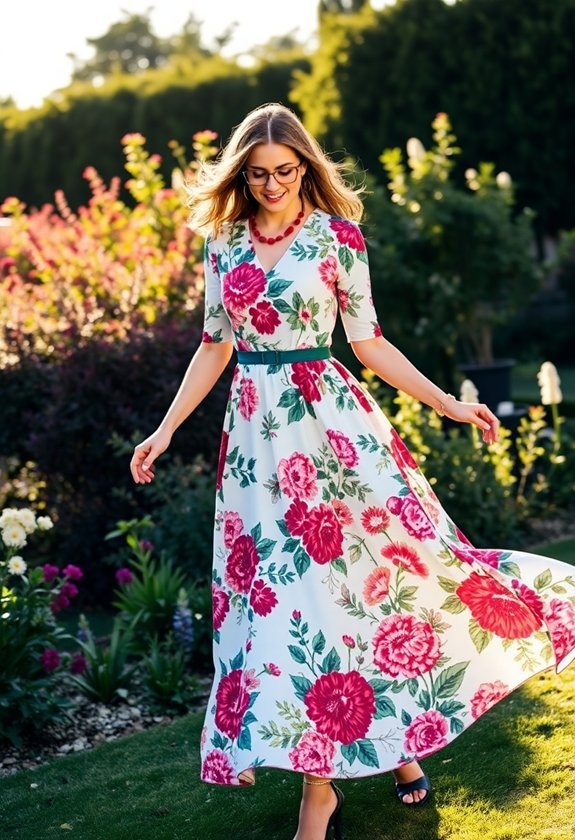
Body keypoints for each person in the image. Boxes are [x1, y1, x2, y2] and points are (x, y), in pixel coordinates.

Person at [130, 103, 575, 840]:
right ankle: (387, 753)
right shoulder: (223, 244)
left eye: (284, 170)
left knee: (368, 580)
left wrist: (445, 403)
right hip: (256, 443)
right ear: (241, 173)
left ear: (305, 165)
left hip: (331, 430)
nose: (272, 184)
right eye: (257, 173)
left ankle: (323, 792)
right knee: (287, 600)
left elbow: (367, 342)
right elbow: (212, 346)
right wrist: (165, 428)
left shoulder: (336, 237)